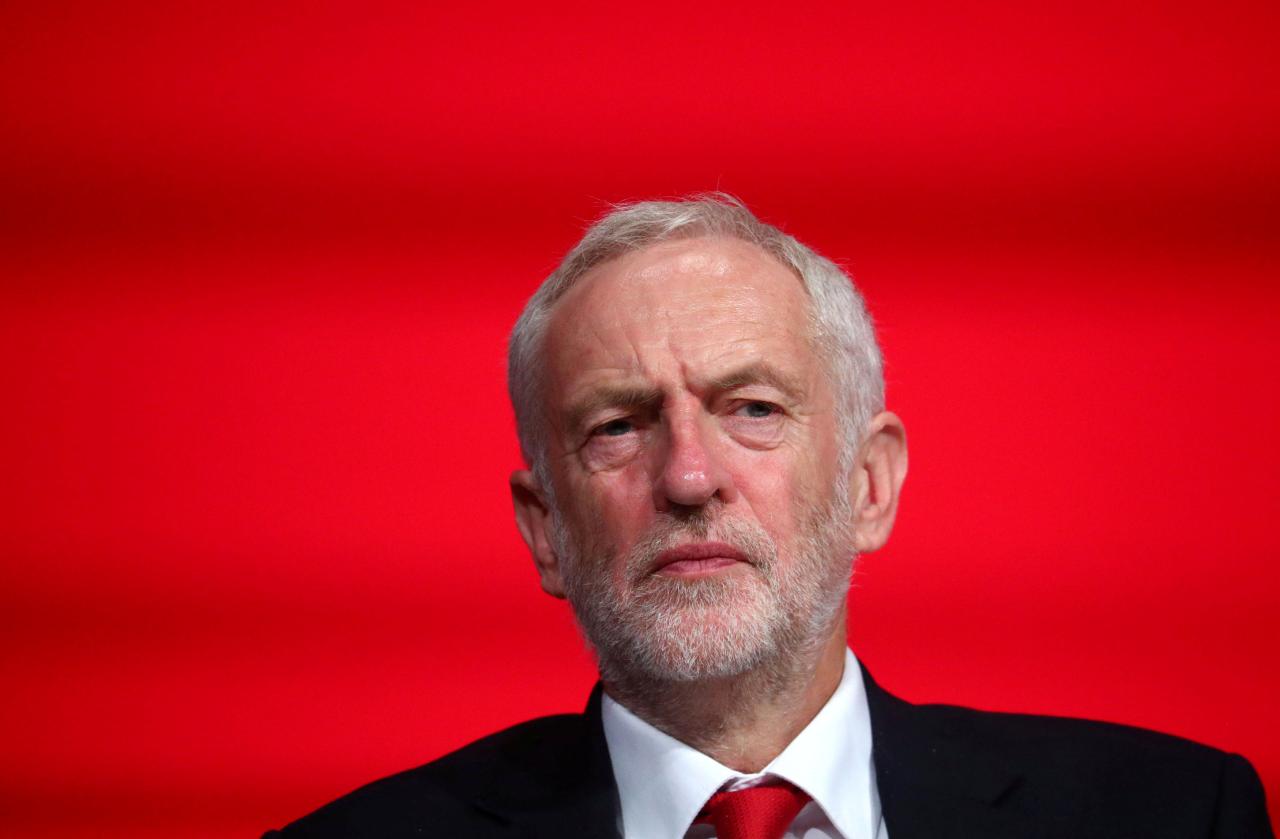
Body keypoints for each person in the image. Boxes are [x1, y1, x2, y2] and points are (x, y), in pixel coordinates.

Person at [266, 195, 1272, 838]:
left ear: (868, 484)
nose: (689, 474)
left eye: (752, 408)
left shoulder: (1173, 816)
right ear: (544, 530)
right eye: (617, 426)